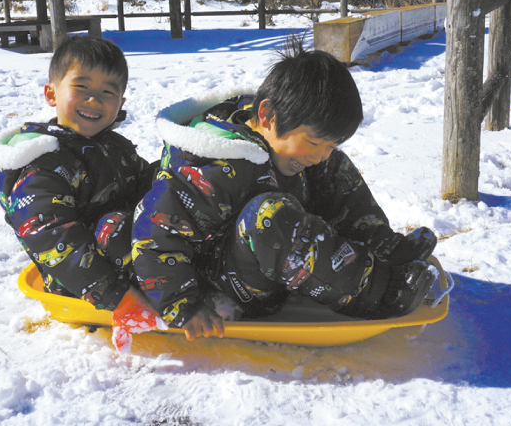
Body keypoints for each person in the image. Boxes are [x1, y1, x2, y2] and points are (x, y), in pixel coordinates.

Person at [131, 38, 437, 340]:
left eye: (329, 144)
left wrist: (322, 153)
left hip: (276, 253)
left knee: (331, 167)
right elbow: (152, 231)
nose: (319, 154)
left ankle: (380, 245)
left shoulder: (280, 140)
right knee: (269, 216)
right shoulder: (211, 166)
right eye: (315, 143)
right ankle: (375, 291)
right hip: (232, 281)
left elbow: (320, 161)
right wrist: (182, 305)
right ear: (266, 115)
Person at [0, 36, 154, 314]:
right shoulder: (44, 162)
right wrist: (116, 296)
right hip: (83, 286)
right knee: (118, 228)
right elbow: (50, 234)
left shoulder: (115, 147)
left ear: (120, 102)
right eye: (82, 87)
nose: (94, 100)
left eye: (107, 92)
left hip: (128, 256)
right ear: (51, 93)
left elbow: (143, 186)